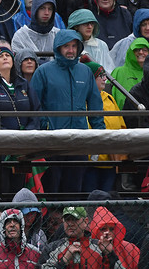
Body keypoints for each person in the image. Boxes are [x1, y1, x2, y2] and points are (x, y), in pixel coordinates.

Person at [30, 30, 104, 191]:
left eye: (74, 46)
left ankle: (71, 216)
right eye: (66, 46)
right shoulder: (43, 71)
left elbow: (95, 105)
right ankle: (50, 216)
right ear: (58, 48)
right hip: (51, 141)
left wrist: (99, 135)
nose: (70, 50)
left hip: (79, 140)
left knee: (74, 190)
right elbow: (34, 105)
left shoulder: (85, 72)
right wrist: (44, 127)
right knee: (51, 189)